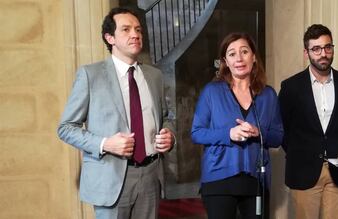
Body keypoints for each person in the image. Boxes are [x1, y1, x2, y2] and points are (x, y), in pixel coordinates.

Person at [57, 7, 175, 219]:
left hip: (150, 175)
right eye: (126, 29)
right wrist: (104, 144)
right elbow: (66, 128)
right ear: (110, 38)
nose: (135, 35)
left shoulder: (154, 76)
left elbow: (166, 116)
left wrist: (169, 135)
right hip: (110, 177)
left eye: (138, 29)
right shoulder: (90, 75)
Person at [191, 32, 284, 219]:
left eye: (244, 52)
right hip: (218, 179)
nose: (239, 59)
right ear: (225, 61)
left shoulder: (268, 95)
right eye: (232, 54)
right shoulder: (212, 91)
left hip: (255, 180)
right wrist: (229, 134)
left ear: (254, 57)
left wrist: (258, 132)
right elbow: (197, 133)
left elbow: (278, 137)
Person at [279, 24, 338, 219]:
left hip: (337, 170)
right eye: (316, 49)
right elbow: (282, 128)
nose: (323, 53)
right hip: (303, 170)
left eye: (327, 47)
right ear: (306, 53)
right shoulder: (291, 87)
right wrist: (301, 152)